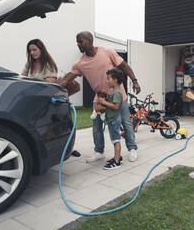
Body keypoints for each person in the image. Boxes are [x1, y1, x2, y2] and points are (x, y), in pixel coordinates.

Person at [58, 31, 140, 163]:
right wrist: (50, 88)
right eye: (77, 42)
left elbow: (124, 66)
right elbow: (67, 78)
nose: (78, 44)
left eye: (81, 41)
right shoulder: (80, 63)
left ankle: (132, 149)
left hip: (119, 95)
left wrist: (134, 81)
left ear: (89, 41)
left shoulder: (107, 52)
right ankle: (99, 151)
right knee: (96, 125)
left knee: (126, 122)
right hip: (100, 98)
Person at [98, 69, 124, 170]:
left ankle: (117, 163)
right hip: (112, 119)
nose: (107, 81)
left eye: (109, 79)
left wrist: (103, 102)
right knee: (115, 140)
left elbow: (116, 106)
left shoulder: (117, 93)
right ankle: (118, 157)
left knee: (116, 140)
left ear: (115, 80)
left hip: (114, 120)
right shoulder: (114, 92)